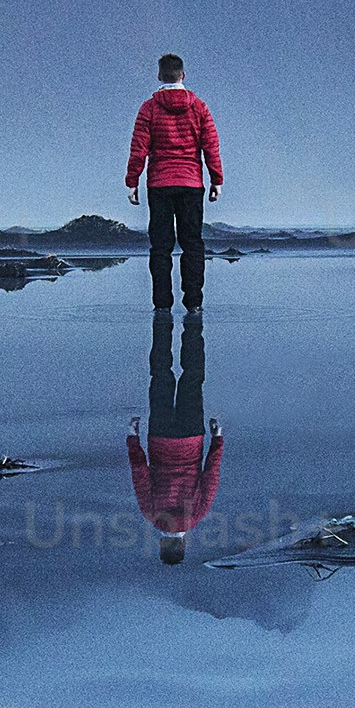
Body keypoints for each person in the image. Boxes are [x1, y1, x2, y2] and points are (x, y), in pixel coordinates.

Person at [126, 52, 223, 313]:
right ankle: (194, 303)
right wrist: (217, 179)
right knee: (192, 244)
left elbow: (139, 149)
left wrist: (132, 181)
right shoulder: (200, 107)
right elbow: (211, 146)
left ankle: (162, 305)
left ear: (159, 76)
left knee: (161, 247)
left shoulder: (149, 108)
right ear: (184, 75)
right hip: (191, 184)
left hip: (159, 185)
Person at [126, 307, 217, 565]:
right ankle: (162, 324)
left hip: (191, 437)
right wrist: (133, 436)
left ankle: (194, 326)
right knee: (161, 375)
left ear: (183, 543)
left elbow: (211, 476)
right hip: (161, 436)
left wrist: (217, 440)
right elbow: (140, 472)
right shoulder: (151, 515)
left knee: (192, 377)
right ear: (163, 543)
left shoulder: (197, 514)